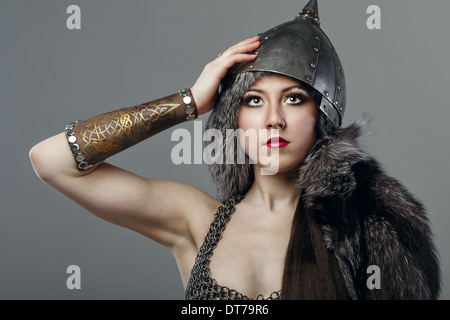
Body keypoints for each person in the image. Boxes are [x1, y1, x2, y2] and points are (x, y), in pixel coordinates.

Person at [29, 0, 440, 299]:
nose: (273, 118)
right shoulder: (195, 219)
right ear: (234, 119)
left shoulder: (361, 229)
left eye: (295, 99)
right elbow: (51, 161)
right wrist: (189, 102)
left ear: (322, 119)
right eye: (254, 100)